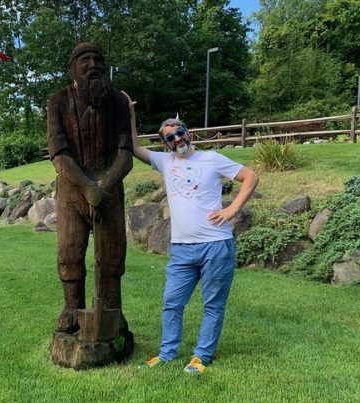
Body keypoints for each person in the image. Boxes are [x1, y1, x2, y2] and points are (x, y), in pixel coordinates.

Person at [123, 92, 259, 374]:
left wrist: (232, 209)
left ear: (188, 133)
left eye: (179, 133)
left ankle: (201, 356)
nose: (176, 140)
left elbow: (250, 177)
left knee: (213, 305)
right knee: (172, 302)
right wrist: (130, 114)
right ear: (165, 143)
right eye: (169, 138)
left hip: (216, 246)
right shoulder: (165, 162)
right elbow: (134, 147)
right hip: (182, 249)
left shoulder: (212, 159)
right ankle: (167, 354)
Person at [47, 43, 133, 333]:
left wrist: (104, 186)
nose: (93, 65)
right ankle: (72, 308)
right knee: (70, 250)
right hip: (71, 189)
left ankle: (112, 311)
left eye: (98, 59)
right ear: (72, 69)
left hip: (111, 188)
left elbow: (125, 152)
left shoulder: (118, 102)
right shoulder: (58, 101)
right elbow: (58, 153)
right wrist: (86, 187)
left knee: (112, 254)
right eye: (84, 60)